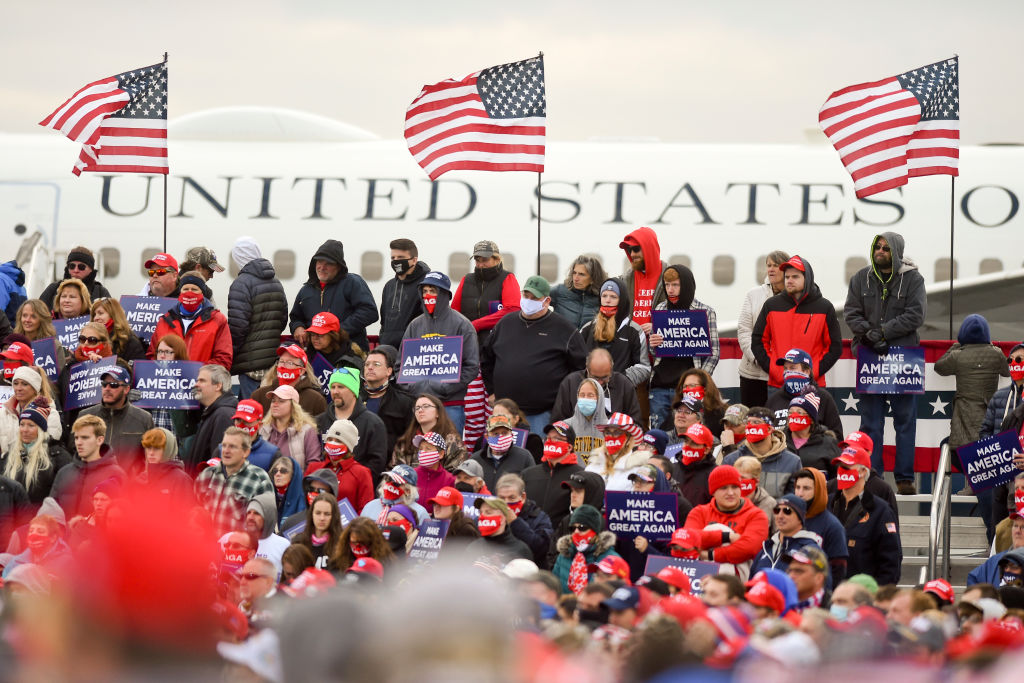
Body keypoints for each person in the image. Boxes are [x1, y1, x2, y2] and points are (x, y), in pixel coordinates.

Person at [844, 233, 926, 496]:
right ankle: (873, 474)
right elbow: (851, 313)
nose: (880, 251)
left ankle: (904, 478)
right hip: (871, 358)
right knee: (871, 422)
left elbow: (916, 314)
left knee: (905, 422)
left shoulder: (914, 279)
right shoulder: (861, 278)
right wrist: (869, 334)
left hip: (903, 359)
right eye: (877, 247)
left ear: (897, 252)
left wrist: (882, 333)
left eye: (886, 248)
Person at [482, 275, 588, 435]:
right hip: (505, 413)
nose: (528, 300)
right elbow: (486, 358)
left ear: (546, 301)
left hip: (542, 414)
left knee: (538, 456)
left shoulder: (565, 329)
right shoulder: (505, 323)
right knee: (503, 454)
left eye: (535, 298)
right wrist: (491, 390)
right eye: (526, 296)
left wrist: (564, 403)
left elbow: (580, 369)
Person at [401, 271, 480, 435]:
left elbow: (471, 367)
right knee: (421, 453)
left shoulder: (463, 325)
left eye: (433, 290)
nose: (428, 294)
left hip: (451, 404)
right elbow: (400, 366)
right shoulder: (414, 326)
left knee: (451, 453)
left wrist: (445, 387)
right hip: (420, 404)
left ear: (444, 294)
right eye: (425, 291)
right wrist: (415, 387)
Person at [936, 314, 1008, 487]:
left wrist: (954, 347)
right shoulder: (996, 354)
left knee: (960, 447)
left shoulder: (958, 355)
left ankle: (971, 483)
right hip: (989, 409)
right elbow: (1007, 372)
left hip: (964, 410)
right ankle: (983, 482)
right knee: (985, 446)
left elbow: (939, 367)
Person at [751, 255, 841, 390]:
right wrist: (775, 370)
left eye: (795, 277)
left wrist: (812, 372)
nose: (789, 281)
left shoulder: (825, 307)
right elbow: (758, 341)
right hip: (778, 385)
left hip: (812, 385)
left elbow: (834, 346)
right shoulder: (771, 305)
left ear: (807, 279)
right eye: (787, 277)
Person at [649, 264, 721, 429]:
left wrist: (700, 381)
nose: (670, 290)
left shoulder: (705, 312)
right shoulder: (660, 309)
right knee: (659, 436)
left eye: (675, 285)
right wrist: (653, 344)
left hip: (687, 389)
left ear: (686, 285)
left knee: (688, 432)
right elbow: (655, 351)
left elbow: (714, 352)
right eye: (667, 285)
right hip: (660, 386)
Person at [828, 445, 902, 585]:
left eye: (846, 467)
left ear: (862, 471)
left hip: (863, 597)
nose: (841, 471)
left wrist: (874, 594)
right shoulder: (827, 503)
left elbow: (891, 564)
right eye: (840, 466)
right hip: (830, 595)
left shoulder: (881, 511)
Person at [227, 236, 288, 400]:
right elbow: (282, 320)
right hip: (270, 362)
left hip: (249, 363)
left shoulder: (241, 284)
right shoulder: (276, 282)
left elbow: (238, 327)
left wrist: (229, 354)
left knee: (251, 412)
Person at [289, 239, 378, 352]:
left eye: (329, 263)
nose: (322, 267)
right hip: (316, 356)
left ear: (339, 267)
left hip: (348, 354)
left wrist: (337, 332)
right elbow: (296, 317)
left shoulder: (352, 282)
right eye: (319, 262)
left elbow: (370, 312)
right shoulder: (306, 290)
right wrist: (298, 327)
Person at [683, 465, 769, 580]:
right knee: (715, 529)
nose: (730, 493)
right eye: (723, 488)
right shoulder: (699, 512)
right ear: (713, 492)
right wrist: (726, 536)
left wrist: (711, 554)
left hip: (741, 577)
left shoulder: (756, 515)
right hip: (700, 574)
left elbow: (749, 548)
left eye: (735, 487)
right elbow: (688, 540)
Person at [194, 427, 274, 537]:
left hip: (237, 550)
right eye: (224, 445)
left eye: (232, 446)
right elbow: (193, 513)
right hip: (205, 548)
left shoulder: (259, 479)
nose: (226, 450)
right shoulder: (206, 475)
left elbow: (265, 525)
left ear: (246, 452)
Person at [147, 271, 232, 369]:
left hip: (202, 382)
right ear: (180, 292)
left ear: (202, 293)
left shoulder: (217, 320)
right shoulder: (165, 320)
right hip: (168, 381)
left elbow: (224, 359)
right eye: (186, 289)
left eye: (194, 289)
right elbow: (152, 356)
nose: (189, 292)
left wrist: (195, 372)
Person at [315, 367, 387, 481]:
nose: (335, 391)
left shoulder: (373, 423)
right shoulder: (318, 422)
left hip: (357, 488)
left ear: (353, 391)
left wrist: (353, 481)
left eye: (341, 387)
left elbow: (376, 463)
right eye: (333, 387)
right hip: (324, 487)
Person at [738, 251, 789, 408]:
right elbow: (744, 330)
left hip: (782, 373)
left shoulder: (796, 297)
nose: (771, 269)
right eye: (769, 265)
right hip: (752, 372)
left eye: (776, 265)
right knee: (753, 421)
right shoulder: (753, 295)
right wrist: (758, 357)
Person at [80, 365, 155, 473]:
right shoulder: (85, 416)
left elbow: (151, 458)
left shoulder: (143, 419)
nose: (107, 389)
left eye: (113, 385)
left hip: (128, 487)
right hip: (93, 485)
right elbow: (75, 456)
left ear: (126, 389)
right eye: (104, 384)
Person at [579, 278, 650, 388]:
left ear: (622, 300)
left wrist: (620, 379)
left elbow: (644, 367)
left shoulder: (634, 331)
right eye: (604, 296)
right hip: (590, 391)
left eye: (613, 297)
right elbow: (576, 361)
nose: (607, 300)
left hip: (620, 393)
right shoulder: (587, 328)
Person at [51, 415, 126, 518]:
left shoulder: (116, 474)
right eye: (76, 438)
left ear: (100, 440)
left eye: (85, 438)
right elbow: (50, 512)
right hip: (63, 533)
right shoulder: (64, 472)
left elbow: (121, 518)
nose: (79, 443)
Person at [1, 405, 73, 507]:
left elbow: (68, 493)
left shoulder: (57, 455)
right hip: (14, 520)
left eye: (31, 425)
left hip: (42, 519)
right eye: (22, 424)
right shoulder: (8, 456)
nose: (25, 430)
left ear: (41, 429)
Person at [723, 407, 802, 499]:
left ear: (769, 429)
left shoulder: (792, 462)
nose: (750, 426)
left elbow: (794, 500)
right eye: (748, 422)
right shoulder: (731, 460)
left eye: (756, 422)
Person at [763, 347, 844, 436]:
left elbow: (837, 436)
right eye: (785, 368)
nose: (787, 372)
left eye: (792, 368)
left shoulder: (823, 397)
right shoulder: (774, 399)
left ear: (807, 371)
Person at [552, 348, 642, 426]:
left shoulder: (623, 384)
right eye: (595, 377)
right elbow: (559, 421)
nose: (599, 382)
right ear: (587, 369)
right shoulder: (571, 383)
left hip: (612, 440)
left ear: (611, 369)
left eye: (604, 377)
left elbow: (635, 421)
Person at [521, 421, 584, 530]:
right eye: (548, 438)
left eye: (556, 438)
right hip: (530, 537)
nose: (550, 442)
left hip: (562, 539)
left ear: (569, 447)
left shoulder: (581, 476)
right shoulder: (528, 474)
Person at [791, 467, 848, 584]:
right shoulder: (788, 518)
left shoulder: (833, 526)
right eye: (798, 487)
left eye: (806, 488)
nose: (800, 493)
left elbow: (838, 570)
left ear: (818, 490)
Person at [359, 345, 415, 458]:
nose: (370, 367)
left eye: (376, 364)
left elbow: (410, 439)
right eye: (367, 364)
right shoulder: (355, 400)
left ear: (389, 371)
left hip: (392, 463)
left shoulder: (404, 402)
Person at [749, 494, 824, 578]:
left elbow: (822, 585)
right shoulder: (766, 548)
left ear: (800, 518)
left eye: (787, 511)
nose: (780, 516)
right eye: (777, 510)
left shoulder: (810, 550)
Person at [306, 419, 374, 511]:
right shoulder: (314, 468)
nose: (333, 443)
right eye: (329, 439)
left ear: (348, 445)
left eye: (338, 440)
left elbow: (365, 509)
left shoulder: (361, 473)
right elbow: (303, 502)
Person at [552, 503, 620, 593]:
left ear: (595, 530)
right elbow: (554, 589)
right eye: (572, 528)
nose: (576, 531)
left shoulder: (611, 559)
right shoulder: (564, 555)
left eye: (582, 527)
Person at [391, 393, 467, 471]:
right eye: (417, 408)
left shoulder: (452, 441)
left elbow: (456, 473)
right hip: (409, 483)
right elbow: (395, 471)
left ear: (438, 412)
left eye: (426, 406)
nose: (420, 410)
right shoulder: (405, 441)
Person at [379, 238, 431, 349]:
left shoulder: (426, 285)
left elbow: (429, 319)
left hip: (413, 349)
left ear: (414, 260)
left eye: (401, 257)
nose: (396, 261)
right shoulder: (389, 286)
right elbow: (384, 322)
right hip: (388, 350)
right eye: (393, 258)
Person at [185, 364, 238, 473]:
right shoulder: (213, 412)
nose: (196, 384)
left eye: (202, 381)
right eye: (197, 380)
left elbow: (220, 461)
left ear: (218, 386)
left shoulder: (223, 415)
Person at [251, 343, 327, 418]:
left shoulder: (316, 400)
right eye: (281, 361)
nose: (283, 366)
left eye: (289, 363)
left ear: (301, 371)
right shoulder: (259, 395)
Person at [497, 472, 554, 568]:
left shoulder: (539, 517)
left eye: (511, 497)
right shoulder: (490, 514)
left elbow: (541, 549)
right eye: (502, 498)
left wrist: (515, 522)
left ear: (522, 497)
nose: (506, 502)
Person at [259, 385, 321, 472]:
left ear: (293, 405)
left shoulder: (306, 431)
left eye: (281, 401)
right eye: (273, 401)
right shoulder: (262, 429)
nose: (275, 404)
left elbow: (313, 464)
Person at [1, 366, 61, 454]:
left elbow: (50, 445)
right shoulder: (3, 413)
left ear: (35, 388)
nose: (19, 388)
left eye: (24, 384)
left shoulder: (49, 413)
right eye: (16, 383)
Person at [470, 414, 536, 492]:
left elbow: (532, 486)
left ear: (511, 435)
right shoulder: (475, 459)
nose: (500, 437)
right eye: (495, 434)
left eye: (504, 433)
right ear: (487, 437)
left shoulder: (524, 457)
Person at [585, 412, 648, 492]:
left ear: (629, 439)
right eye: (607, 433)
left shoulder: (637, 470)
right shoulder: (593, 465)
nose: (611, 436)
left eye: (617, 433)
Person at [1, 514, 71, 579]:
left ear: (53, 538)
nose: (34, 534)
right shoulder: (17, 561)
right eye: (31, 531)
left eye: (40, 531)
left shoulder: (66, 564)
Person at [465, 496, 534, 563]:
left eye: (488, 512)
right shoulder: (473, 548)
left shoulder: (520, 550)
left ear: (502, 518)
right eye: (480, 513)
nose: (482, 516)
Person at [784, 394, 840, 476]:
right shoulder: (779, 440)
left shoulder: (828, 443)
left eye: (799, 412)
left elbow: (838, 474)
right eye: (790, 412)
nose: (794, 416)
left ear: (811, 419)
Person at [136, 427, 194, 506]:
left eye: (157, 448)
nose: (151, 453)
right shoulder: (141, 478)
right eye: (148, 448)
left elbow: (186, 513)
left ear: (168, 450)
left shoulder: (181, 480)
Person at [240, 491, 290, 578]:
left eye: (256, 513)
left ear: (268, 517)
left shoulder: (283, 545)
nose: (250, 517)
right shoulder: (232, 539)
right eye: (249, 512)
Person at [550, 255, 607, 330]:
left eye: (581, 274)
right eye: (574, 273)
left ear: (593, 278)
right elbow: (536, 299)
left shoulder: (603, 297)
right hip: (561, 341)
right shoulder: (559, 291)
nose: (576, 278)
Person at [359, 464, 428, 526]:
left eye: (396, 484)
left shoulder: (420, 512)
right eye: (388, 480)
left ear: (408, 491)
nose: (389, 485)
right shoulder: (370, 506)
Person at [291, 491, 344, 569]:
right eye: (318, 513)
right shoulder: (298, 542)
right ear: (312, 514)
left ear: (334, 516)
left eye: (327, 514)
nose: (322, 518)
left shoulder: (342, 544)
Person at [673, 416, 717, 508]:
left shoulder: (716, 474)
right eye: (686, 441)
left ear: (706, 450)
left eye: (694, 443)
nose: (688, 446)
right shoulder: (672, 469)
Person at [227, 399, 281, 472]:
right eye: (238, 420)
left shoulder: (272, 454)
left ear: (260, 425)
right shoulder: (222, 450)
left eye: (247, 421)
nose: (241, 425)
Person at [672, 369, 728, 437]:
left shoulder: (720, 414)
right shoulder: (676, 411)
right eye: (684, 386)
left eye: (692, 385)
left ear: (705, 388)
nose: (687, 389)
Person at [330, 517, 395, 574]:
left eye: (362, 543)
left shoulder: (387, 563)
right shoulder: (338, 562)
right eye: (354, 543)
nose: (358, 548)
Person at [412, 431, 455, 511]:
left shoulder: (450, 480)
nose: (423, 452)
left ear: (441, 454)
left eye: (428, 448)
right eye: (421, 448)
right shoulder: (411, 475)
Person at [733, 456, 777, 533]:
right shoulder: (729, 501)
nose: (739, 482)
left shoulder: (769, 504)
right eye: (736, 478)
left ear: (756, 481)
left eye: (743, 478)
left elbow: (778, 535)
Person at [786, 546, 831, 612]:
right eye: (789, 571)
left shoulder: (834, 608)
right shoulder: (780, 605)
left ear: (819, 578)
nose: (791, 576)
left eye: (798, 571)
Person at [268, 454, 305, 526]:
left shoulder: (303, 501)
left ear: (293, 475)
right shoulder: (268, 496)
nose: (278, 474)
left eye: (283, 471)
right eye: (275, 471)